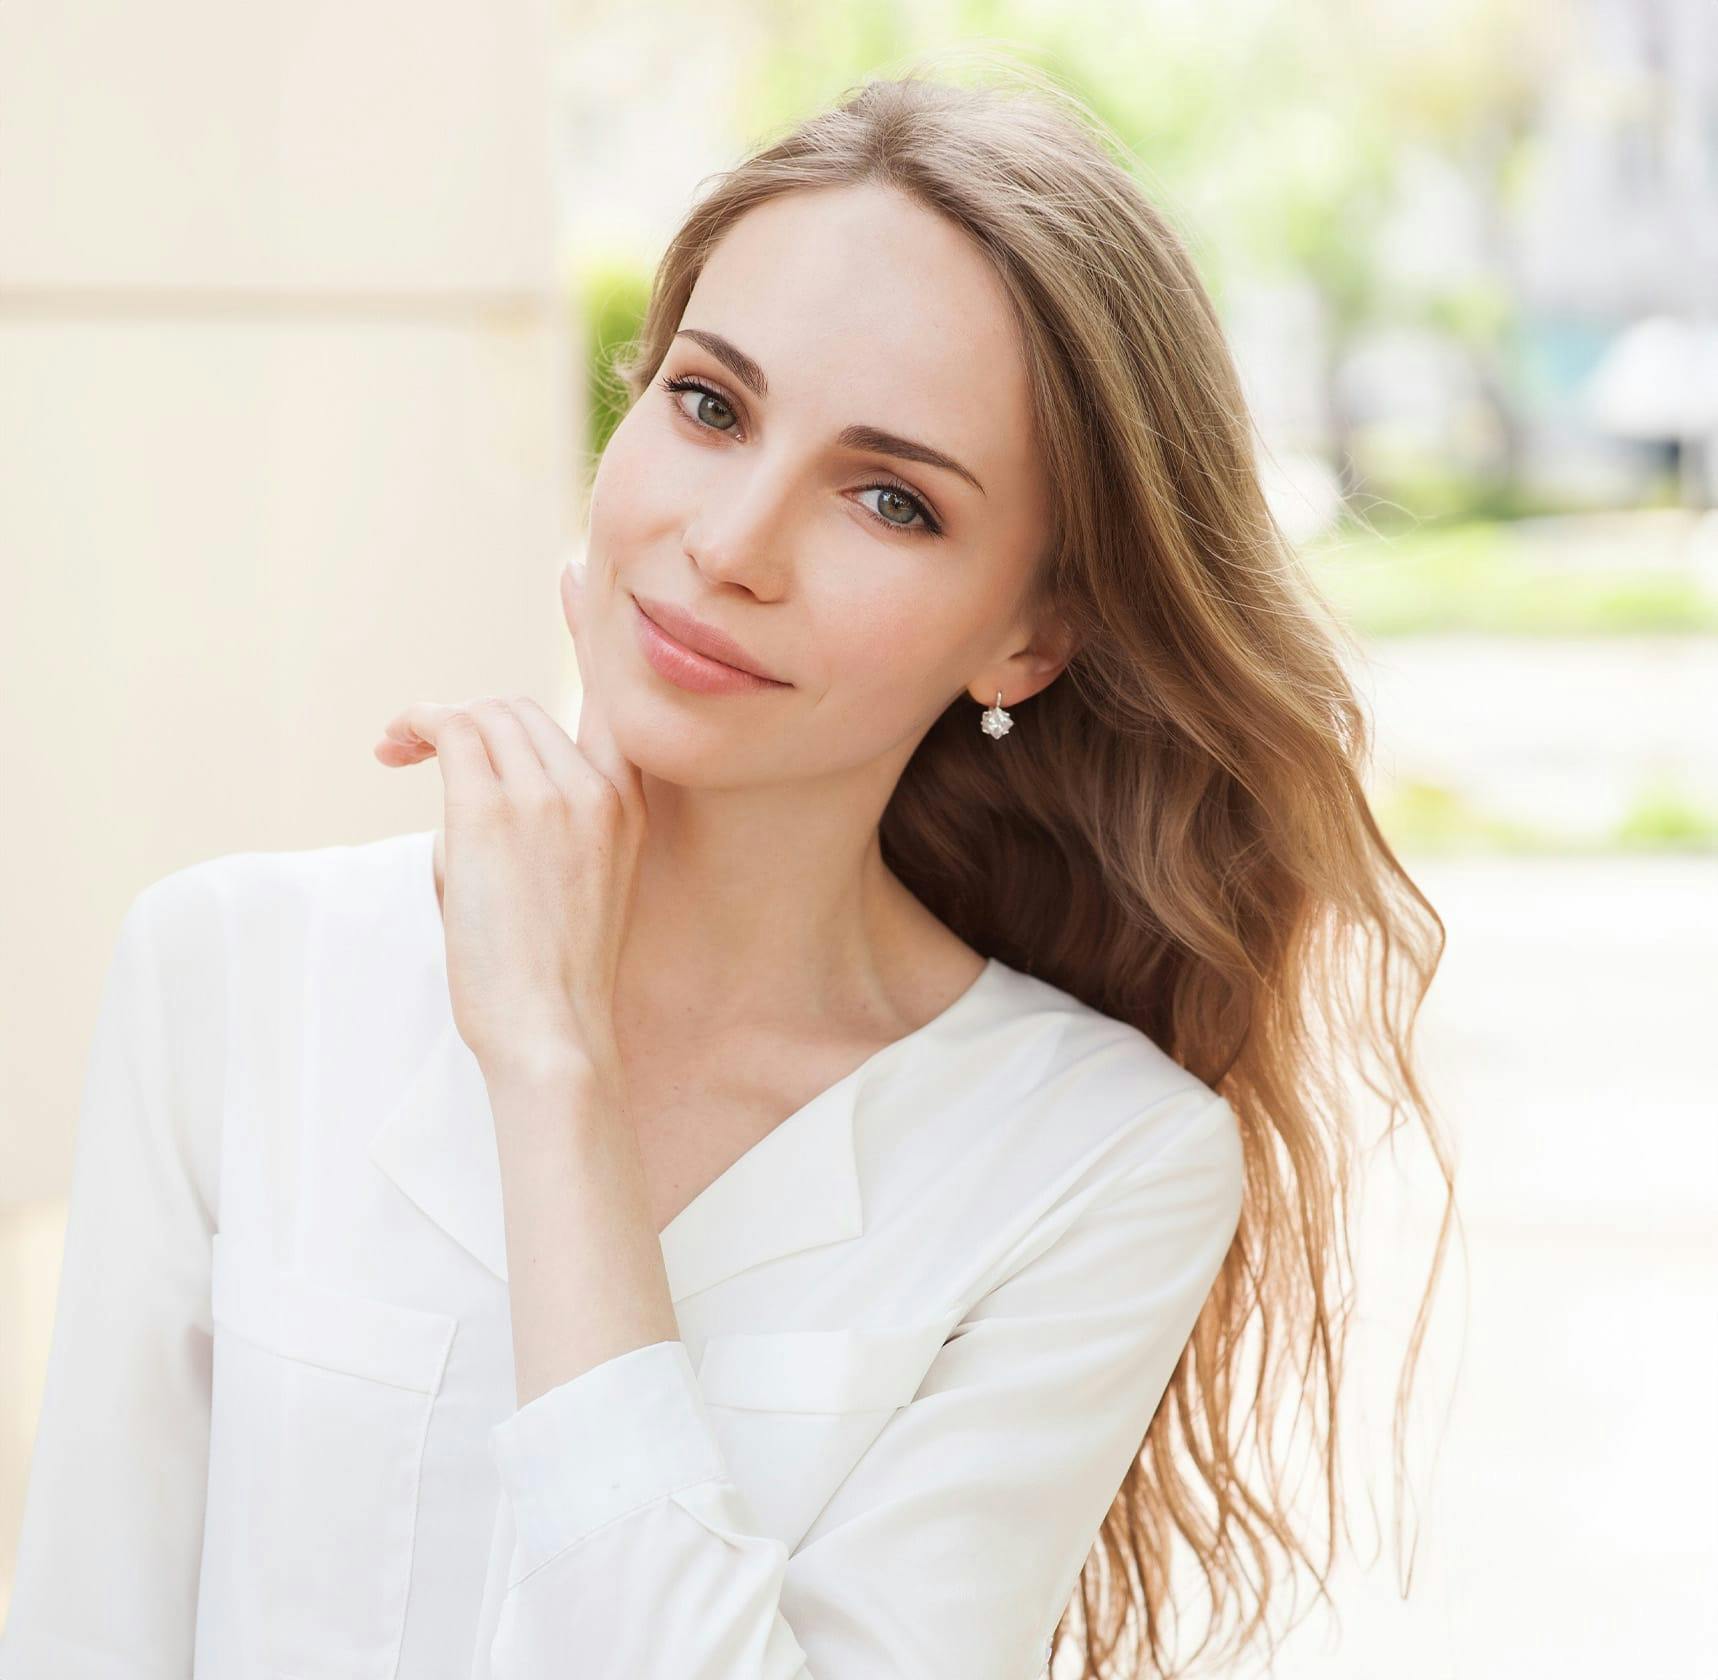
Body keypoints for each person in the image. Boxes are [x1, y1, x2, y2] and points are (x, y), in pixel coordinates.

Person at [2, 66, 1453, 1680]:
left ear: (1032, 637)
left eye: (890, 499)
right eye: (708, 405)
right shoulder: (229, 975)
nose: (731, 541)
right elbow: (88, 1629)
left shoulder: (1095, 1165)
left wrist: (550, 1065)